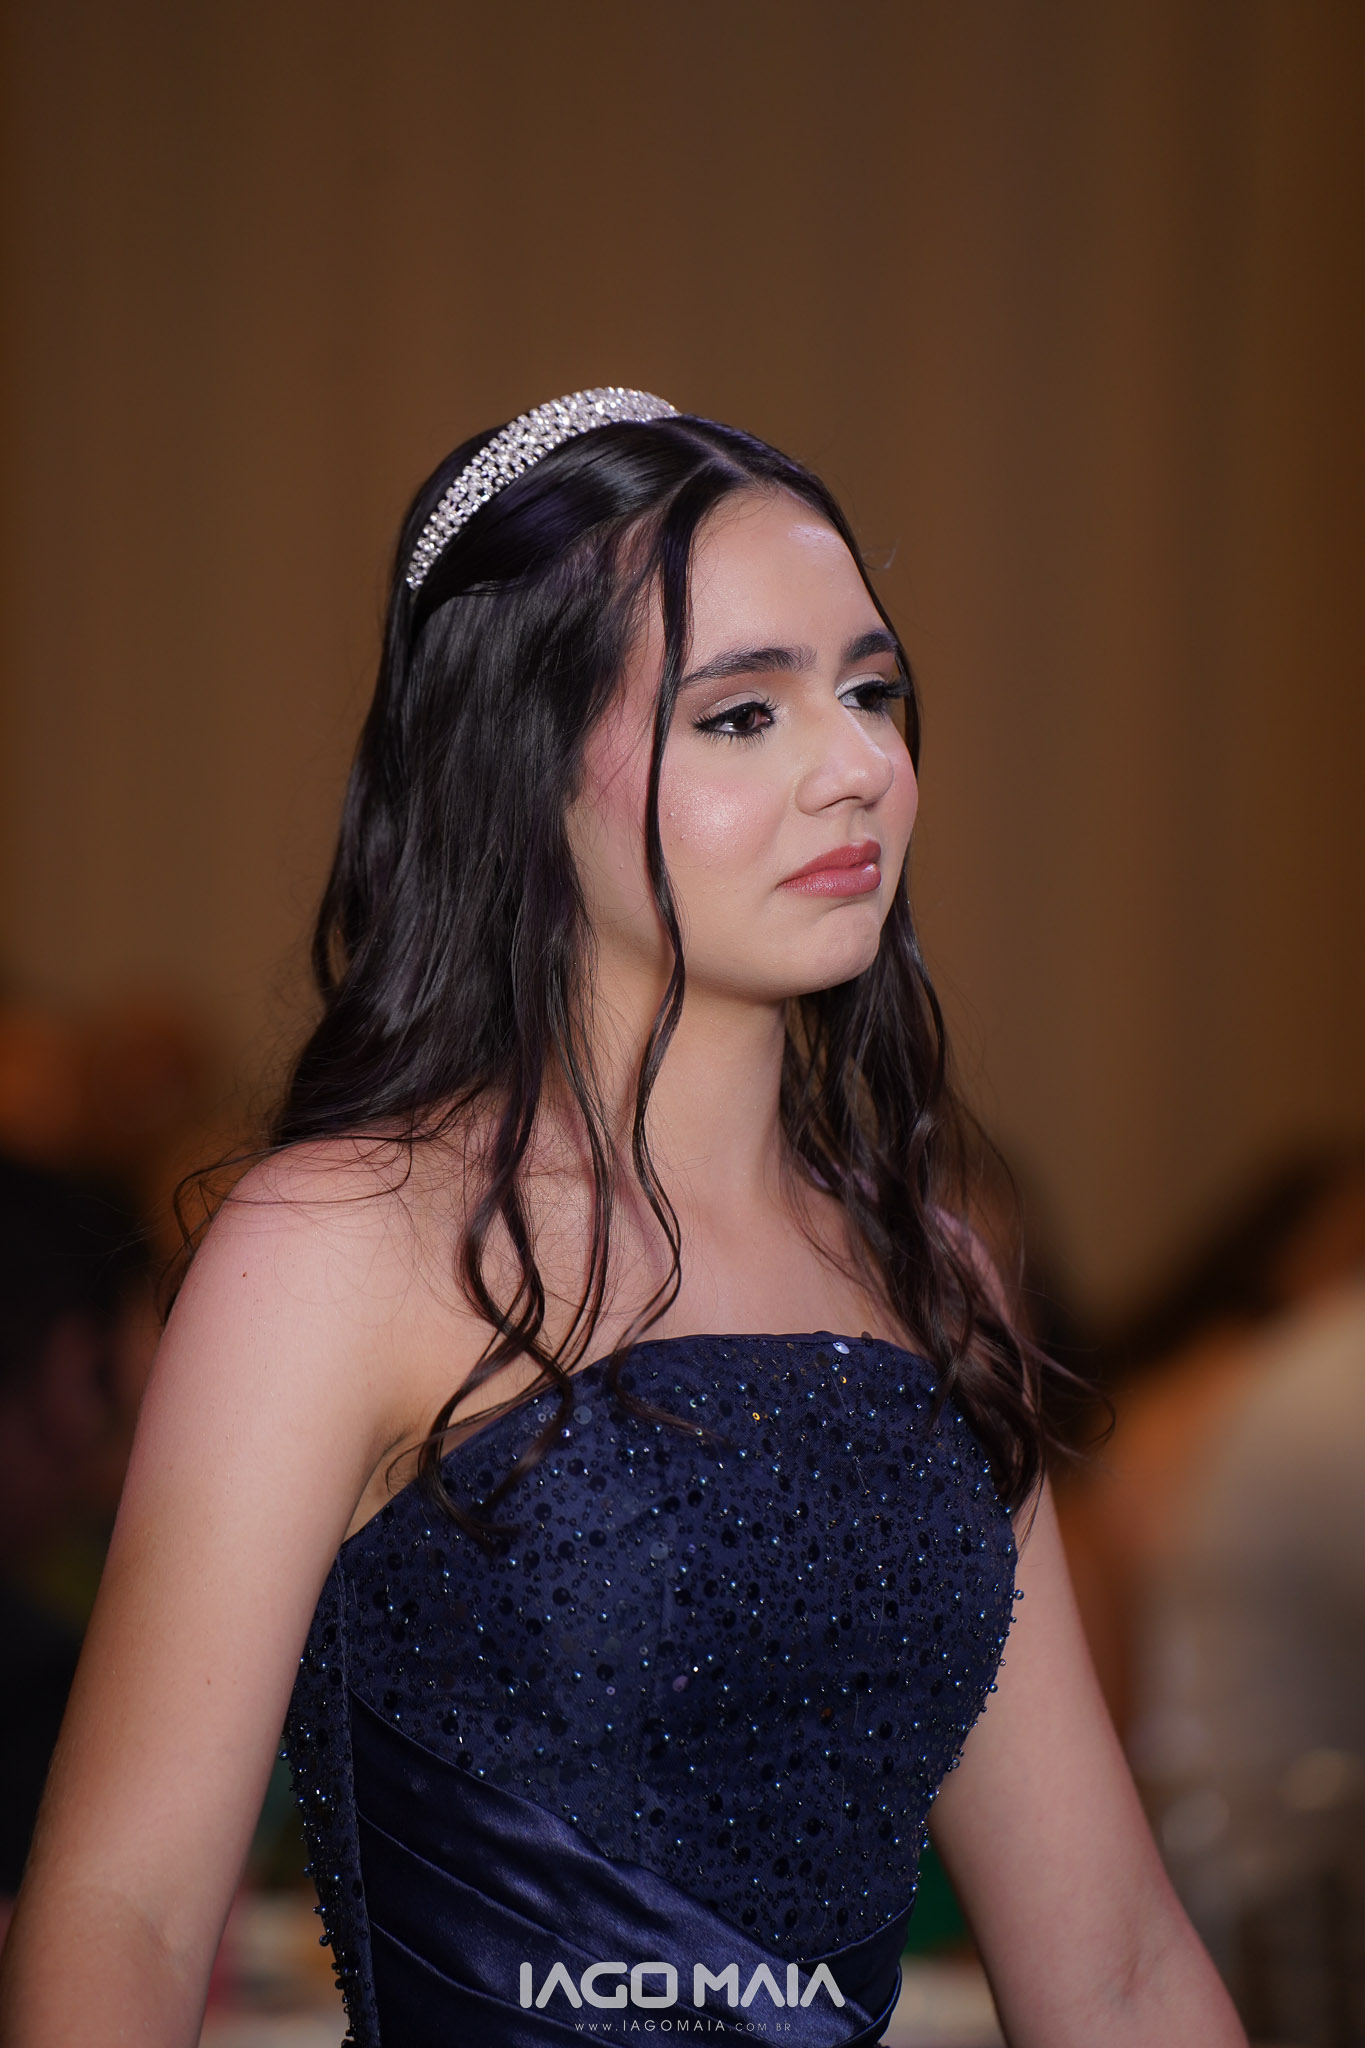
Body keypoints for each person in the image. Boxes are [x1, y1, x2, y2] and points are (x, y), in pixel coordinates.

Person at [0, 389, 1245, 2045]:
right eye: (742, 714)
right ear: (517, 774)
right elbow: (129, 1918)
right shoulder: (340, 1248)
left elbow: (1117, 1964)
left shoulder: (924, 1275)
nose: (858, 767)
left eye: (871, 692)